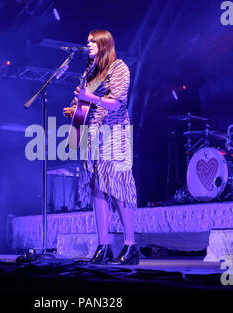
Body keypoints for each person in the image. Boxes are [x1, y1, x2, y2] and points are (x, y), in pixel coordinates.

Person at [63, 30, 138, 265]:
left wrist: (91, 98)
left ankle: (130, 246)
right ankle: (103, 245)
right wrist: (74, 110)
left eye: (92, 41)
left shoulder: (119, 68)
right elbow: (84, 105)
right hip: (93, 135)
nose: (88, 44)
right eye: (87, 41)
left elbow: (116, 104)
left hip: (115, 134)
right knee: (97, 188)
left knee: (118, 188)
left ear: (104, 44)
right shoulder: (89, 72)